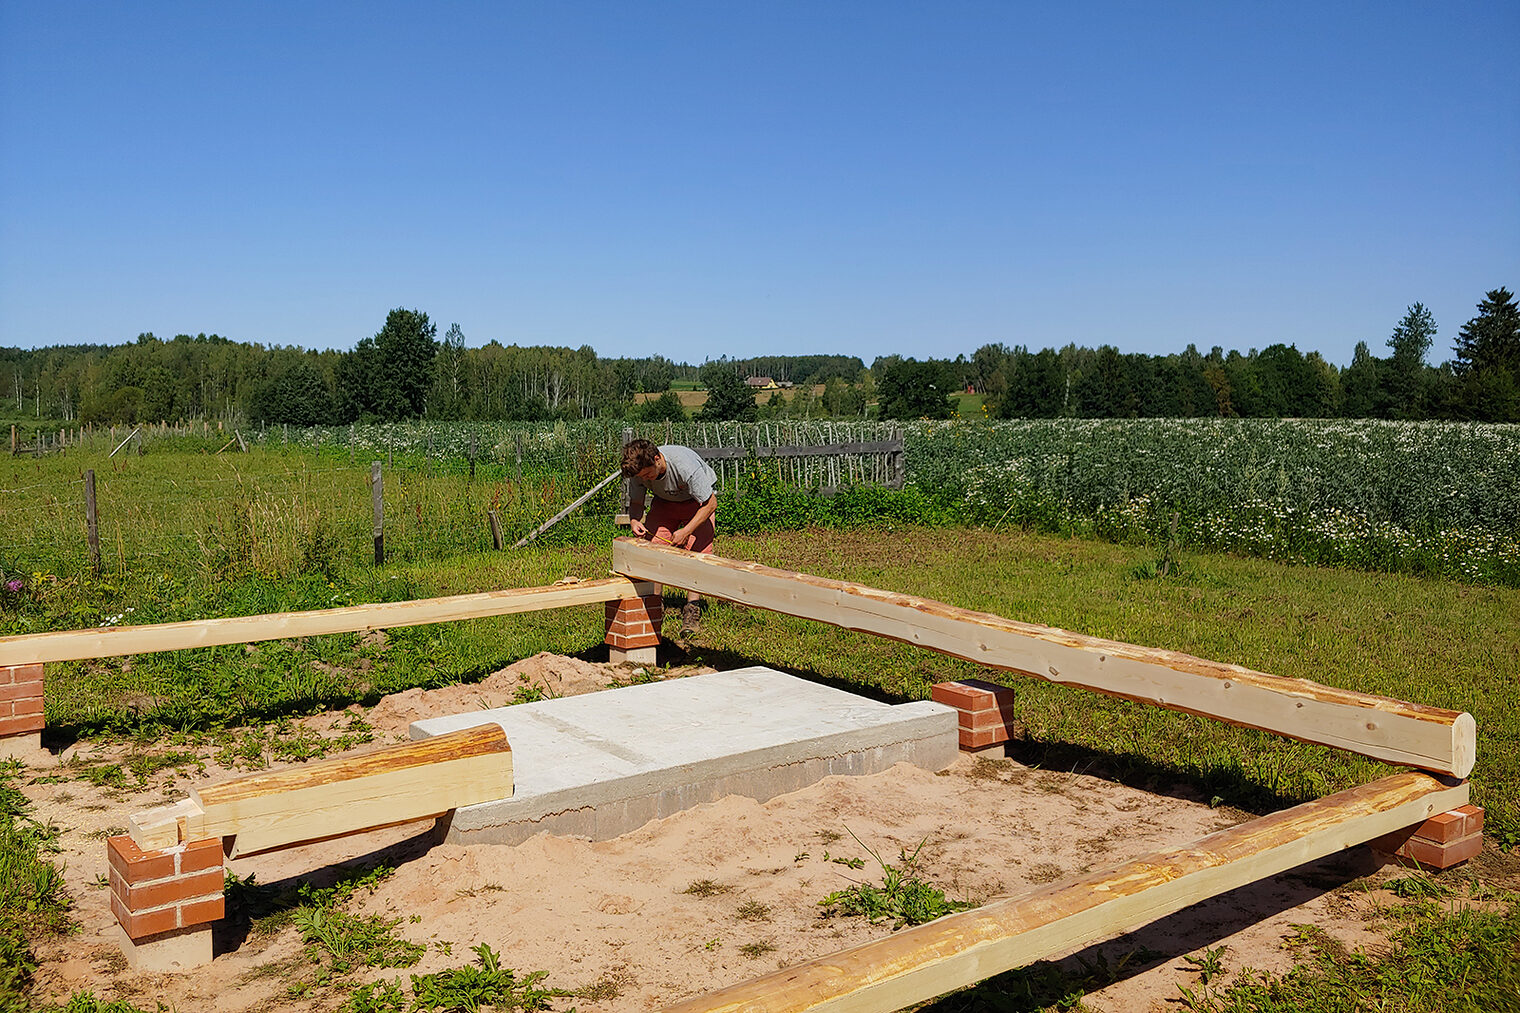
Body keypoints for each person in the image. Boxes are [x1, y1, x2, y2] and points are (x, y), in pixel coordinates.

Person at [620, 438, 717, 635]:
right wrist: (634, 520)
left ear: (657, 459)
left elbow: (710, 504)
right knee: (654, 551)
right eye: (642, 477)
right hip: (664, 503)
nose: (645, 480)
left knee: (697, 554)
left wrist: (686, 531)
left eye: (648, 474)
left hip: (697, 503)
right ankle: (655, 607)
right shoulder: (639, 472)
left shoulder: (684, 466)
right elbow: (637, 503)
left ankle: (692, 610)